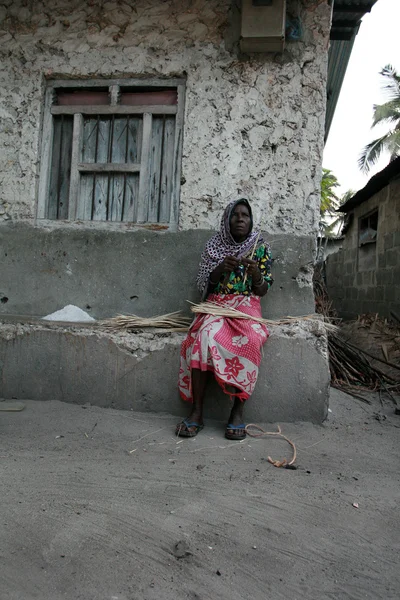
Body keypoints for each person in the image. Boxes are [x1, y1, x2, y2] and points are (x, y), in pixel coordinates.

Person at [176, 198, 273, 440]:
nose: (240, 219)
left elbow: (263, 290)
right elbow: (203, 286)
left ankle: (237, 412)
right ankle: (197, 412)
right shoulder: (213, 247)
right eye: (235, 215)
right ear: (227, 220)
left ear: (251, 222)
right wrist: (219, 269)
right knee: (203, 337)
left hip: (246, 308)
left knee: (252, 339)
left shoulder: (260, 249)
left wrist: (257, 275)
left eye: (245, 216)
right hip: (217, 305)